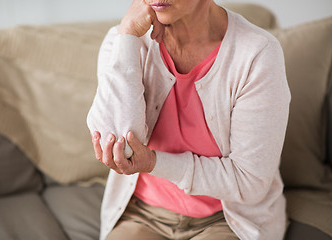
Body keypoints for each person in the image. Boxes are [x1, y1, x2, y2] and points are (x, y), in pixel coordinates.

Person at [86, 0, 291, 239]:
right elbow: (121, 146)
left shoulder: (257, 54)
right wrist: (128, 37)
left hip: (227, 219)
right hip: (143, 214)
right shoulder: (123, 40)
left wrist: (154, 162)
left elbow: (249, 182)